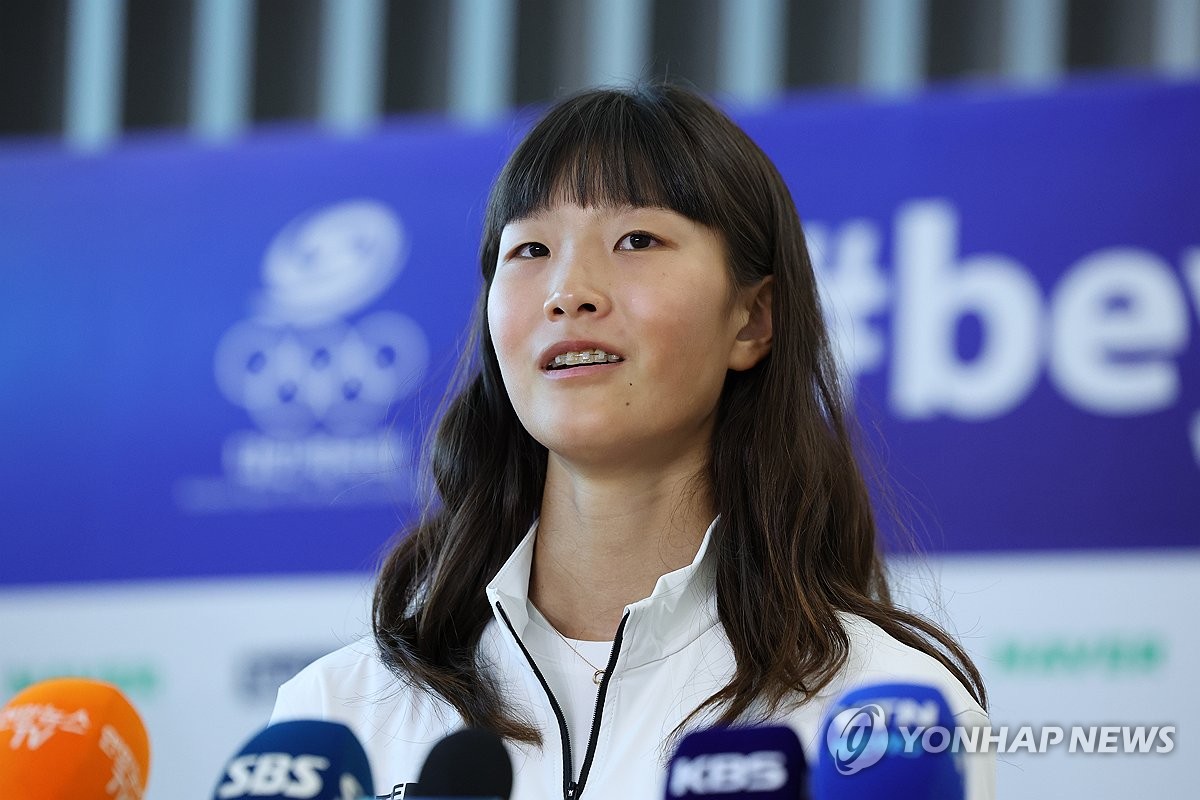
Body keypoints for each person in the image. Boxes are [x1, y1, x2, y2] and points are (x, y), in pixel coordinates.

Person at [271, 83, 994, 799]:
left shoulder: (878, 716)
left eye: (636, 240)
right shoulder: (336, 716)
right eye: (529, 249)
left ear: (752, 319)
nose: (568, 290)